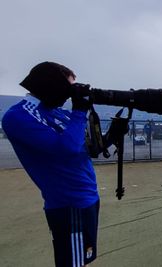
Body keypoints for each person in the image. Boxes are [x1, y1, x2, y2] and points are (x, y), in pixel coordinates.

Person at [1, 62, 115, 266]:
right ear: (52, 85)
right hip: (68, 203)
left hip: (87, 197)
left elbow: (84, 149)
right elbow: (66, 149)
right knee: (72, 263)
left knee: (81, 260)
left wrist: (112, 136)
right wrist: (79, 111)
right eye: (68, 87)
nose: (70, 95)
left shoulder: (57, 112)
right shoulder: (18, 116)